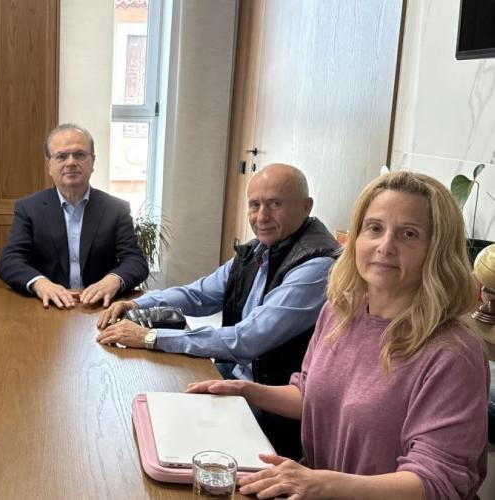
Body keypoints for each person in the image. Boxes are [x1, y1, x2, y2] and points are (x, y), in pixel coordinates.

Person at [187, 171, 489, 499]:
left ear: (437, 249)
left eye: (409, 234)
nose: (385, 246)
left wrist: (322, 483)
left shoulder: (453, 352)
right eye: (375, 228)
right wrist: (246, 391)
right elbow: (310, 396)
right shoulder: (339, 312)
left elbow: (437, 482)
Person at [96, 163, 338, 457]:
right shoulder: (259, 250)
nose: (262, 216)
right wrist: (136, 303)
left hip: (272, 409)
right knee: (144, 415)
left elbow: (247, 339)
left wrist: (150, 337)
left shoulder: (316, 266)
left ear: (306, 206)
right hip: (234, 377)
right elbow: (198, 294)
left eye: (275, 204)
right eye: (255, 205)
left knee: (165, 439)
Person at [0, 123, 149, 308]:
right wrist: (40, 284)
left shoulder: (116, 209)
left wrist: (113, 280)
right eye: (61, 156)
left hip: (99, 306)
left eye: (80, 155)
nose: (70, 162)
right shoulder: (29, 208)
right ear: (49, 165)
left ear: (92, 162)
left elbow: (135, 261)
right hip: (48, 306)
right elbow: (9, 261)